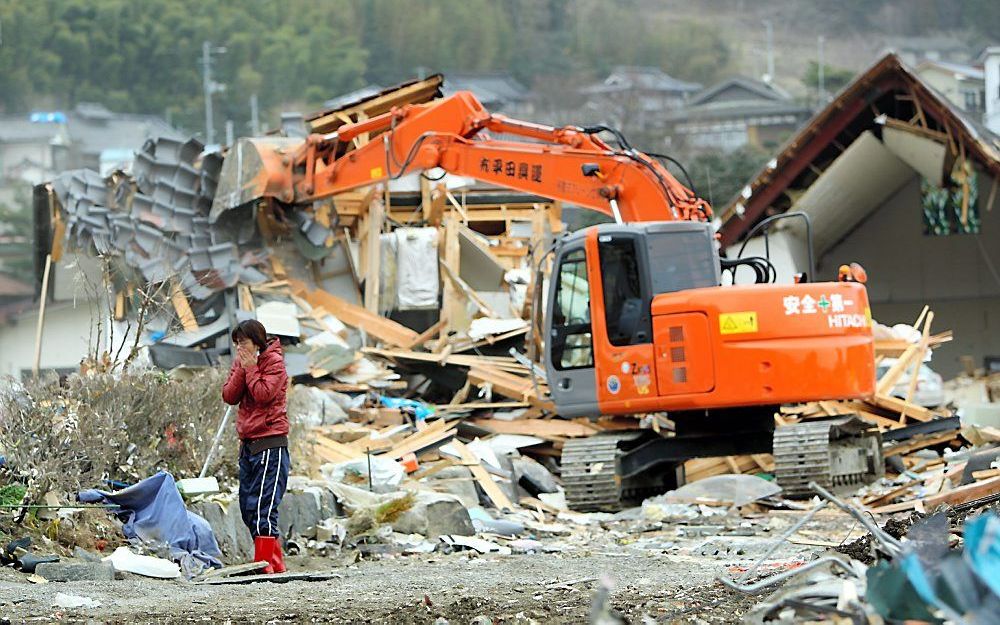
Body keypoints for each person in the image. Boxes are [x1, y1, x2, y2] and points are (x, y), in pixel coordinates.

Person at [222, 319, 290, 574]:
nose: (240, 347)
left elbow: (264, 394)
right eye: (237, 343)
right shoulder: (242, 362)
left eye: (244, 342)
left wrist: (251, 368)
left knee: (264, 505)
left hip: (270, 442)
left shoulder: (274, 363)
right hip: (248, 444)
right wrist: (242, 368)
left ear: (257, 341)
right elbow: (229, 395)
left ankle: (263, 565)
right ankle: (274, 561)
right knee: (247, 507)